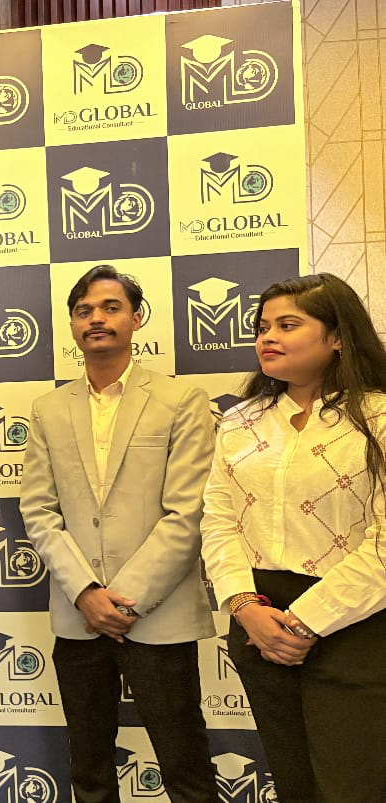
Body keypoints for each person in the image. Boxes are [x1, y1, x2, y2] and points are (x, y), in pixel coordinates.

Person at [19, 265, 216, 802]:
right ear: (72, 324)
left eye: (110, 307)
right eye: (84, 311)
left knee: (186, 767)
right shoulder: (49, 409)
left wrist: (123, 600)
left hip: (159, 617)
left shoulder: (182, 400)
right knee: (89, 770)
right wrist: (86, 592)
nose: (96, 319)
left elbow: (187, 513)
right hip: (78, 618)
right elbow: (38, 509)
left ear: (136, 317)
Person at [201, 273, 386, 802]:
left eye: (287, 325)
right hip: (259, 622)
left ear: (338, 337)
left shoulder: (377, 416)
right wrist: (245, 607)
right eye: (263, 327)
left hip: (357, 623)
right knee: (293, 782)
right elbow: (218, 520)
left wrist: (304, 623)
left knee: (353, 787)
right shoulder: (240, 421)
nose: (268, 338)